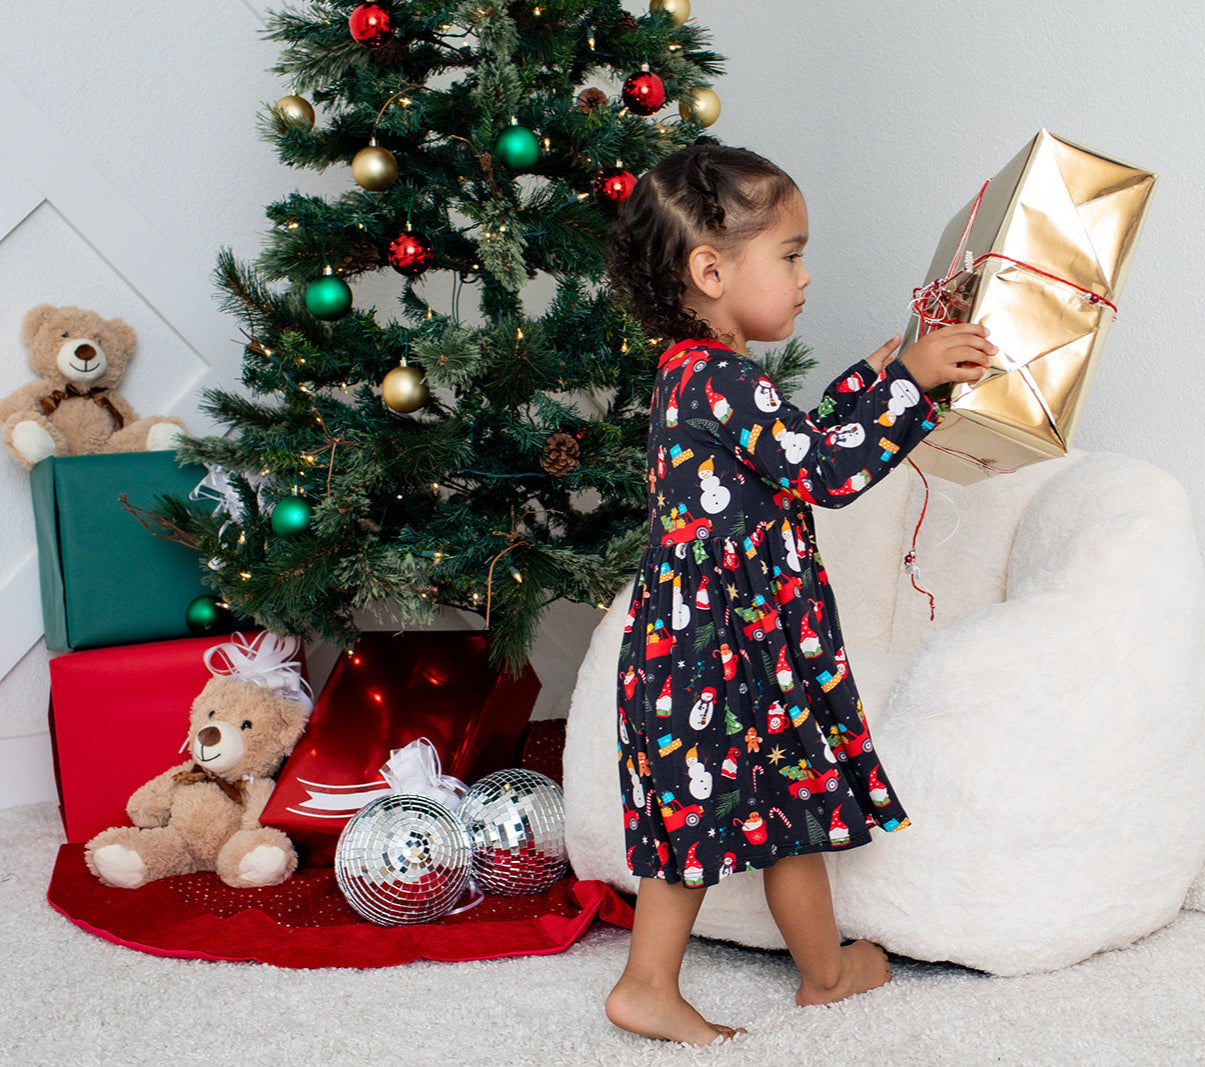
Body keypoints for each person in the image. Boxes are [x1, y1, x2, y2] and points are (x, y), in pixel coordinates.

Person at [604, 141, 995, 1046]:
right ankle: (661, 983)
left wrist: (885, 376)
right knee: (743, 808)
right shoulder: (718, 376)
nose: (806, 274)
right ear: (709, 270)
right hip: (717, 643)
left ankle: (810, 972)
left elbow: (797, 444)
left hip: (724, 638)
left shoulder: (702, 375)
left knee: (763, 803)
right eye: (788, 254)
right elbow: (823, 469)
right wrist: (907, 382)